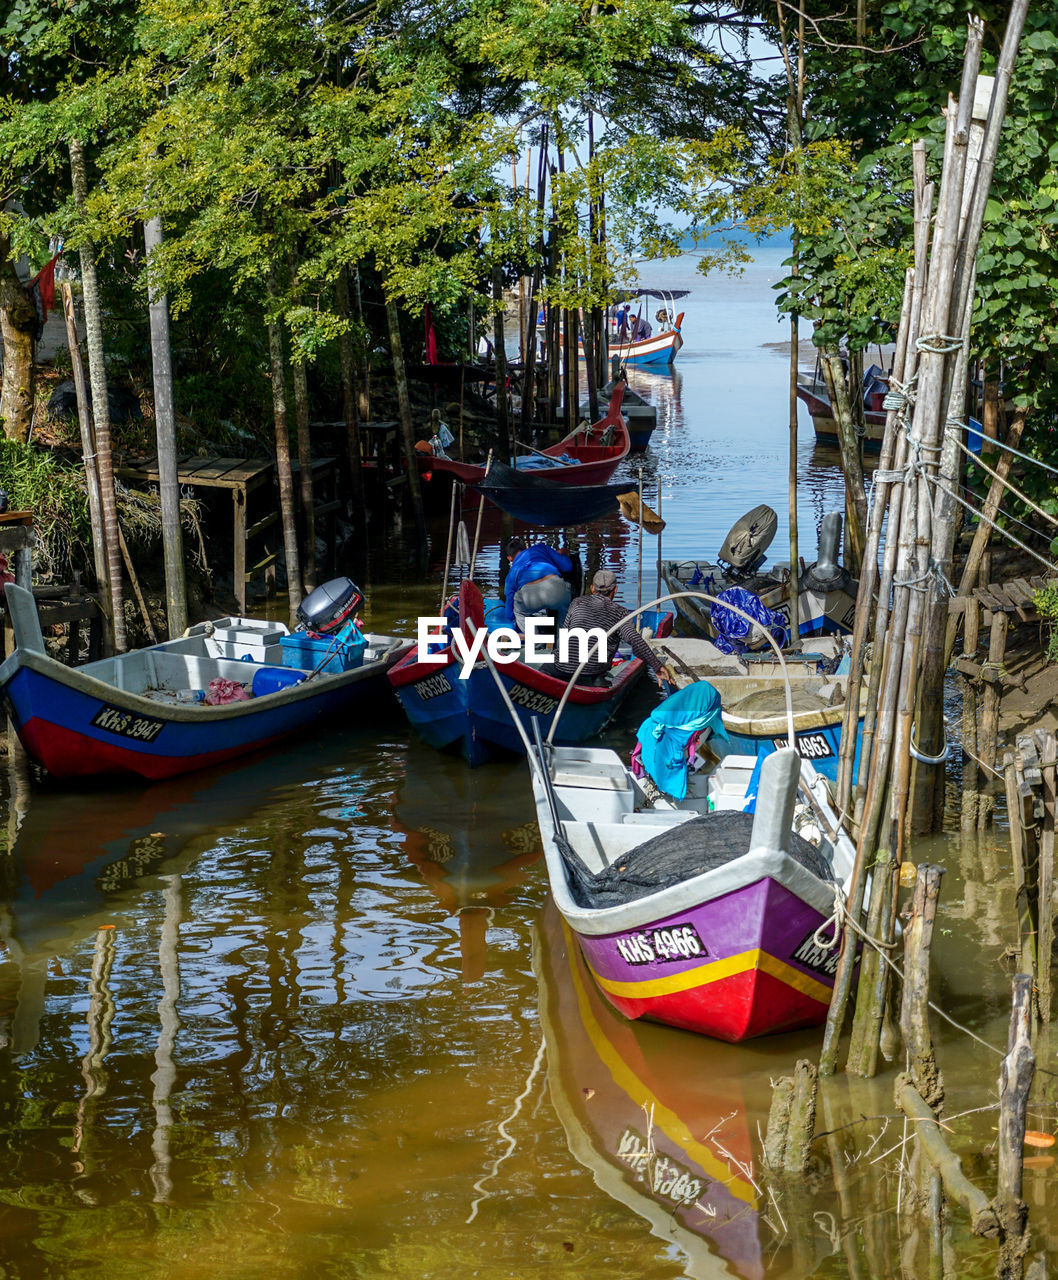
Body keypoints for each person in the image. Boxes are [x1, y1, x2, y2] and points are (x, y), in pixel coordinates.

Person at [552, 569, 674, 688]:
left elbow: (565, 633)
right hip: (592, 675)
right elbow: (635, 640)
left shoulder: (576, 603)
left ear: (592, 588)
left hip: (561, 669)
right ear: (615, 590)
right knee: (625, 664)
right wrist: (657, 666)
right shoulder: (620, 613)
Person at [502, 536, 573, 633]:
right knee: (564, 612)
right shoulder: (541, 548)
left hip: (529, 596)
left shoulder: (512, 573)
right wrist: (564, 555)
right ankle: (561, 643)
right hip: (556, 588)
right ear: (526, 548)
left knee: (518, 612)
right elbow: (567, 567)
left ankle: (536, 642)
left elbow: (509, 612)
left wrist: (513, 622)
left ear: (509, 558)